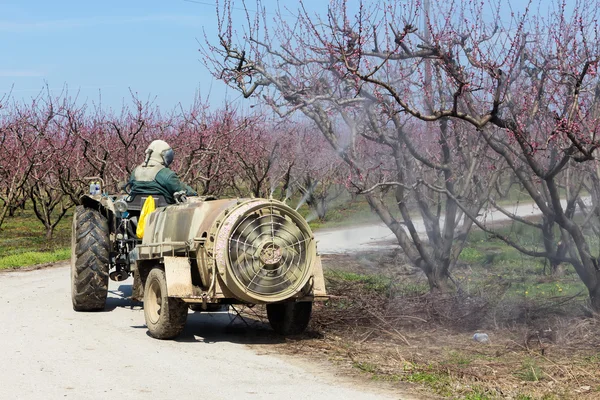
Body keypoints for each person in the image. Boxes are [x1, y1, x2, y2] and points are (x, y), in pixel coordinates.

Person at [128, 139, 197, 204]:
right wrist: (193, 192)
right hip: (162, 211)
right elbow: (179, 189)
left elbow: (131, 186)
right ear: (163, 155)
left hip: (136, 209)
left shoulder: (135, 171)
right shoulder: (166, 174)